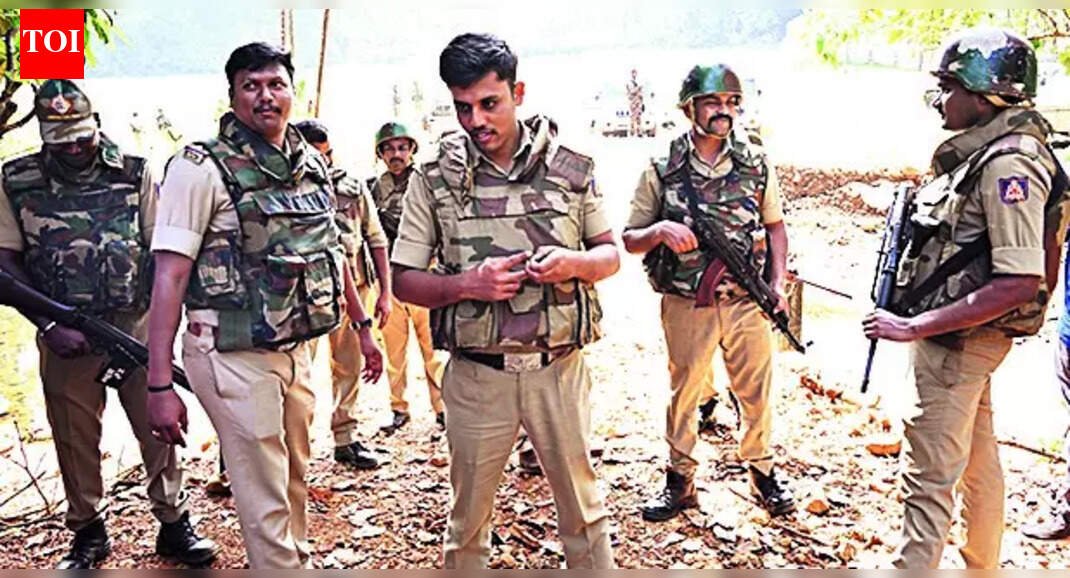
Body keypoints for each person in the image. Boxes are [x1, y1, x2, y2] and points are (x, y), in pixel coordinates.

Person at [145, 42, 380, 568]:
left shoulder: (309, 163)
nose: (265, 96)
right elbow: (170, 274)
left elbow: (332, 252)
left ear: (292, 92)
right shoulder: (199, 167)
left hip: (296, 350)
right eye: (251, 86)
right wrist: (159, 383)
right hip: (230, 350)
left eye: (276, 84)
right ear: (232, 96)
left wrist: (363, 326)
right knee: (265, 496)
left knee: (294, 479)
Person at [391, 33, 618, 568]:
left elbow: (609, 255)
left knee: (584, 516)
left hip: (558, 374)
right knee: (468, 521)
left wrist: (573, 263)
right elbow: (403, 281)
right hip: (477, 378)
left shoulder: (570, 170)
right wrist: (467, 285)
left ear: (518, 93)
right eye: (462, 107)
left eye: (489, 103)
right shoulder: (434, 181)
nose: (476, 121)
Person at [862, 28, 1069, 568]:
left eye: (949, 87)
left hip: (959, 345)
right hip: (962, 340)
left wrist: (913, 326)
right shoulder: (994, 153)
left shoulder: (1009, 165)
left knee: (927, 481)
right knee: (977, 463)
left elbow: (1019, 280)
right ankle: (982, 567)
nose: (940, 100)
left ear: (985, 95)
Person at [0, 79, 218, 569]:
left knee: (159, 424)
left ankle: (174, 522)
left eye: (81, 135)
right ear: (43, 133)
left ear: (96, 122)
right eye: (61, 140)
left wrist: (161, 325)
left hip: (133, 324)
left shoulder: (135, 172)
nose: (74, 147)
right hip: (64, 333)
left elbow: (162, 251)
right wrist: (49, 325)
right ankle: (88, 531)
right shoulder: (16, 179)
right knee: (74, 434)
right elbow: (6, 263)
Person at [622, 63, 796, 522]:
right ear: (689, 108)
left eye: (732, 102)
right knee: (685, 392)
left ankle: (761, 471)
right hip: (687, 302)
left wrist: (777, 285)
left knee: (756, 392)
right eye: (713, 102)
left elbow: (776, 228)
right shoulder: (663, 166)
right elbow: (630, 237)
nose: (724, 111)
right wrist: (660, 231)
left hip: (746, 301)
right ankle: (680, 480)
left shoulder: (755, 162)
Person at [295, 119, 389, 469]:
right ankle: (295, 447)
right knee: (298, 375)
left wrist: (385, 292)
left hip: (354, 291)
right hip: (306, 296)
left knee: (349, 366)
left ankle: (345, 437)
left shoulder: (351, 185)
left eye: (328, 154)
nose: (324, 162)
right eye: (315, 155)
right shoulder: (288, 188)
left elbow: (375, 238)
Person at [367, 121, 446, 434]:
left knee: (433, 350)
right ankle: (398, 408)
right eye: (389, 149)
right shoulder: (373, 189)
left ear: (412, 149)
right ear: (380, 154)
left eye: (402, 147)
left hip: (424, 276)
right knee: (394, 349)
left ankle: (442, 408)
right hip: (389, 281)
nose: (396, 154)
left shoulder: (426, 183)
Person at [626, 68, 645, 137]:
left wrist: (641, 99)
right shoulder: (630, 83)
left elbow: (641, 93)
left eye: (635, 73)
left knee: (639, 116)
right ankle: (632, 130)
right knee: (633, 116)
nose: (634, 74)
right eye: (633, 73)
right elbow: (631, 91)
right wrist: (638, 88)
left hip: (638, 101)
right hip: (633, 101)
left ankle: (639, 131)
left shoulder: (638, 82)